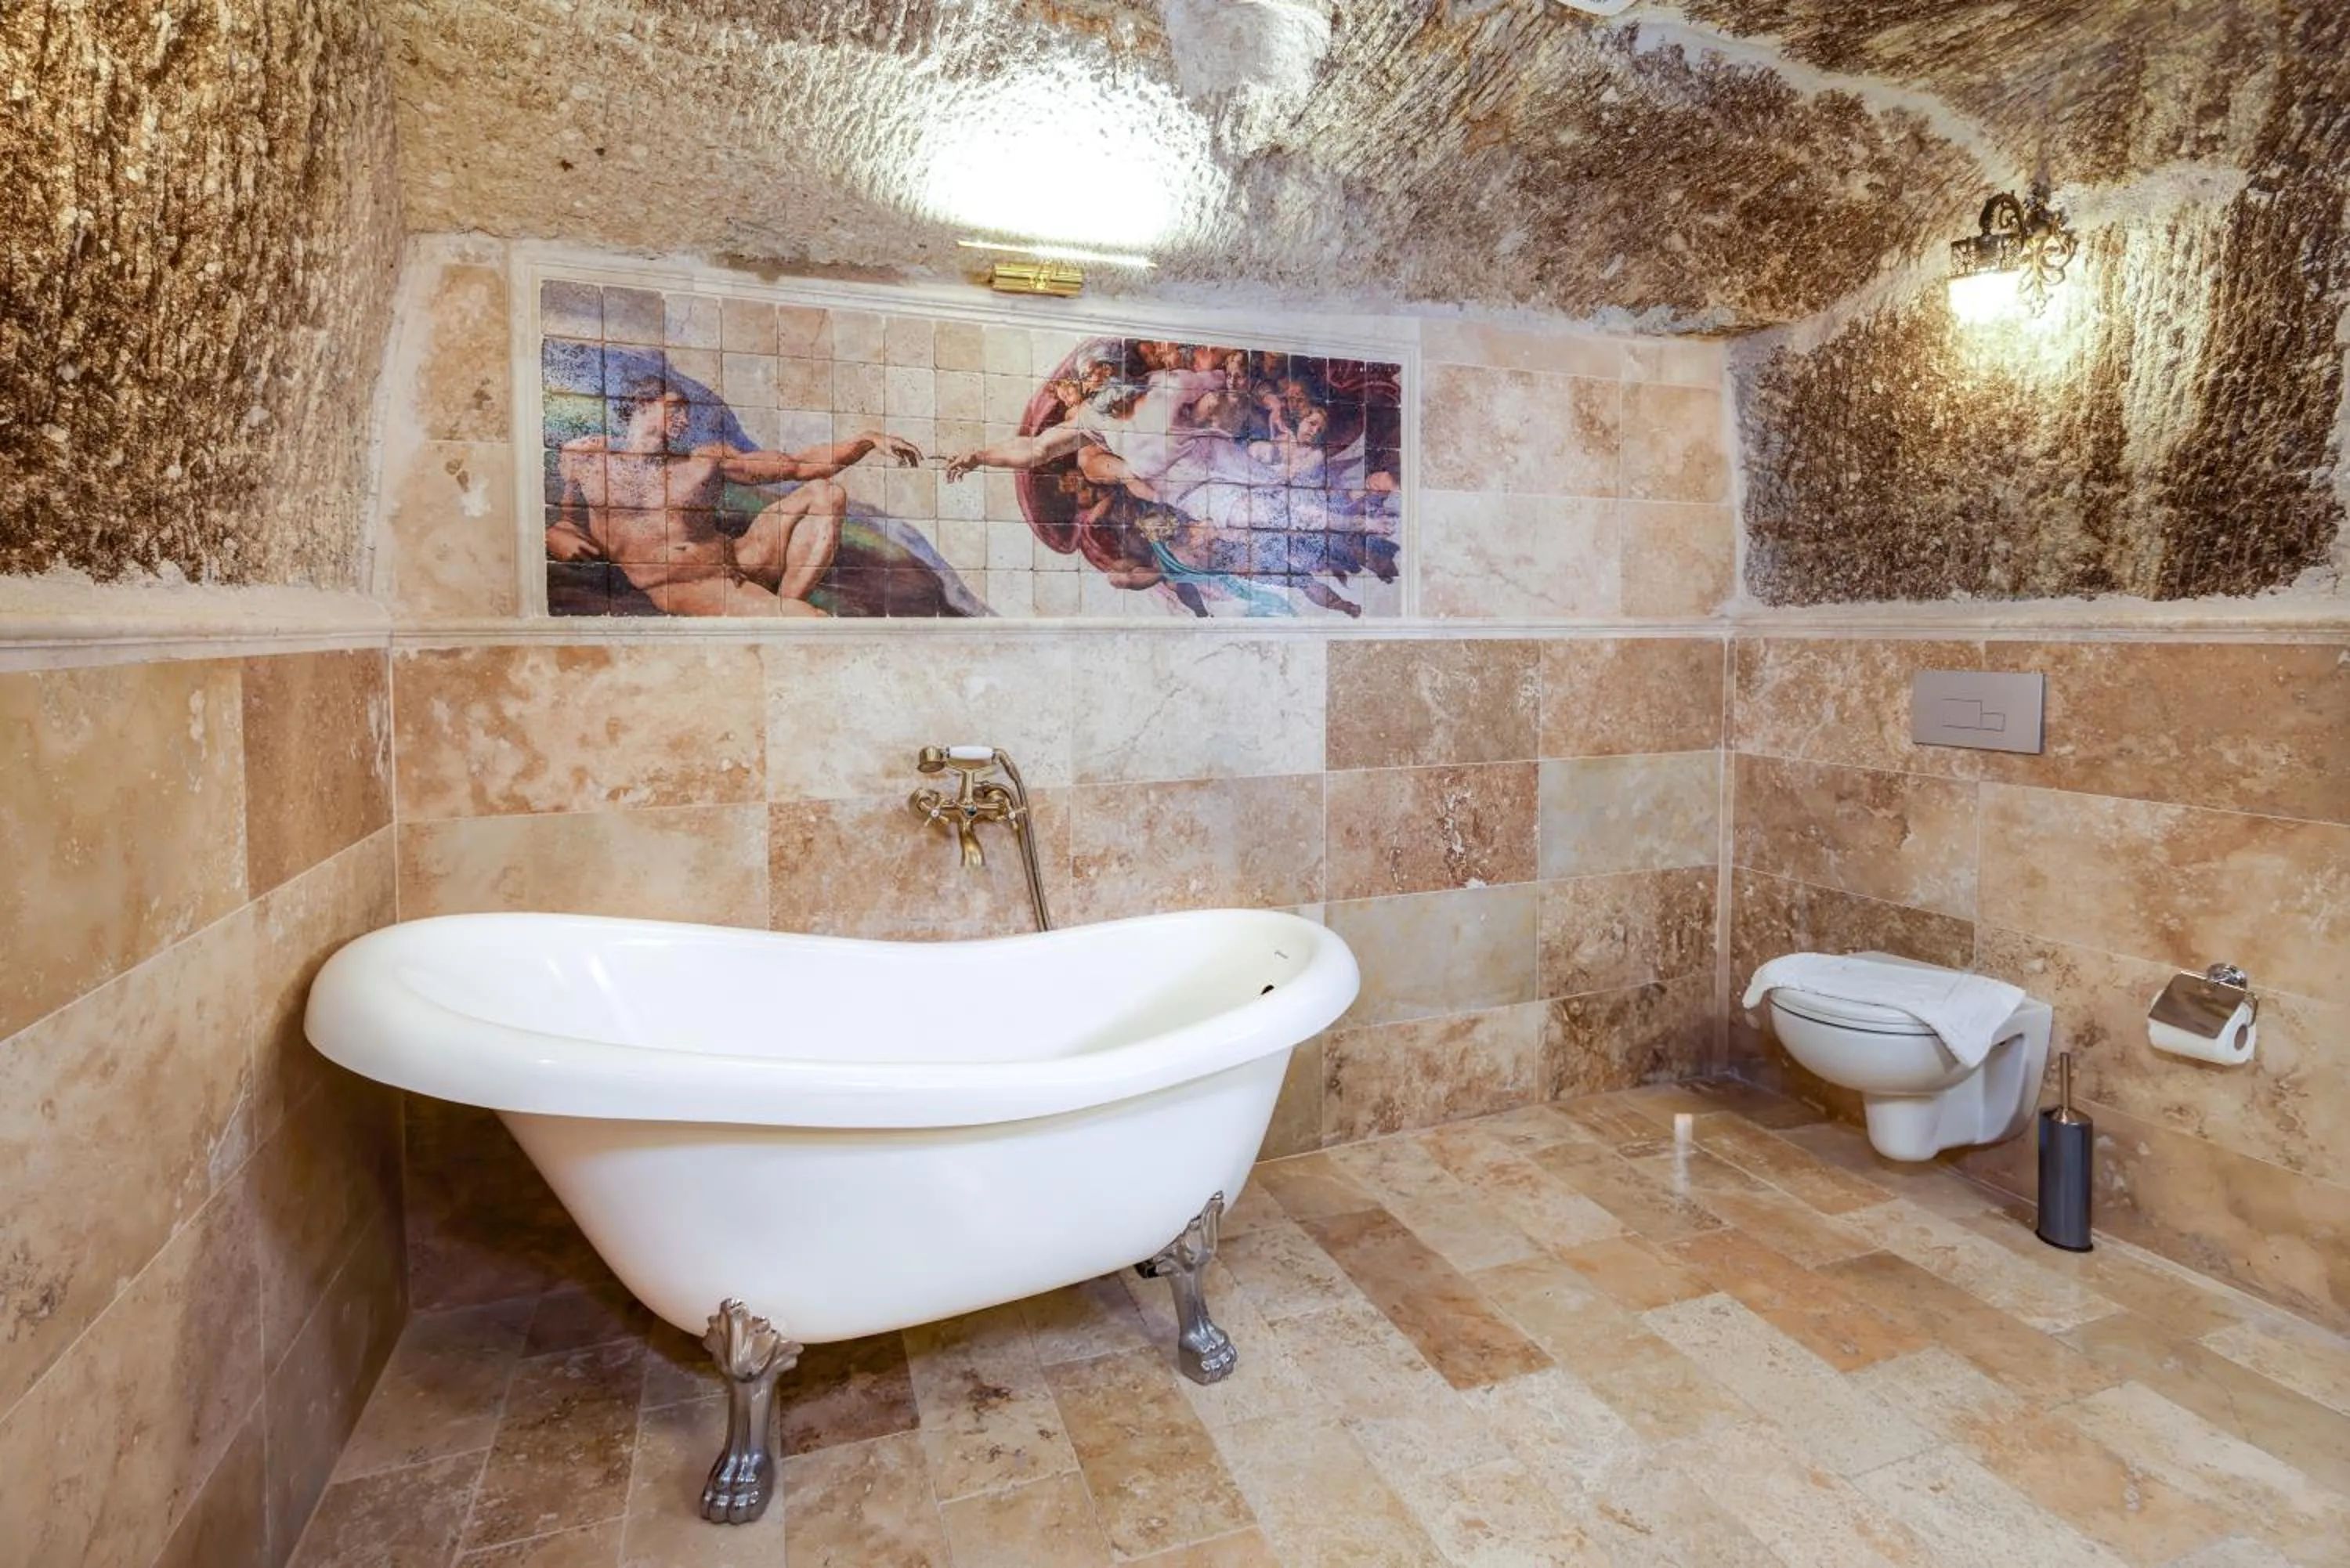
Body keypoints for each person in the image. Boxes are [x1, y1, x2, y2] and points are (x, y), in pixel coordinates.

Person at [547, 381, 920, 615]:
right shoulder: (589, 460)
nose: (685, 420)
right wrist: (556, 536)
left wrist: (868, 440)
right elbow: (569, 520)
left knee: (826, 493)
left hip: (742, 557)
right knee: (814, 624)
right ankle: (788, 614)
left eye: (686, 413)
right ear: (642, 407)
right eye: (674, 408)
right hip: (689, 584)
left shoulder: (704, 461)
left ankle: (789, 602)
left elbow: (799, 466)